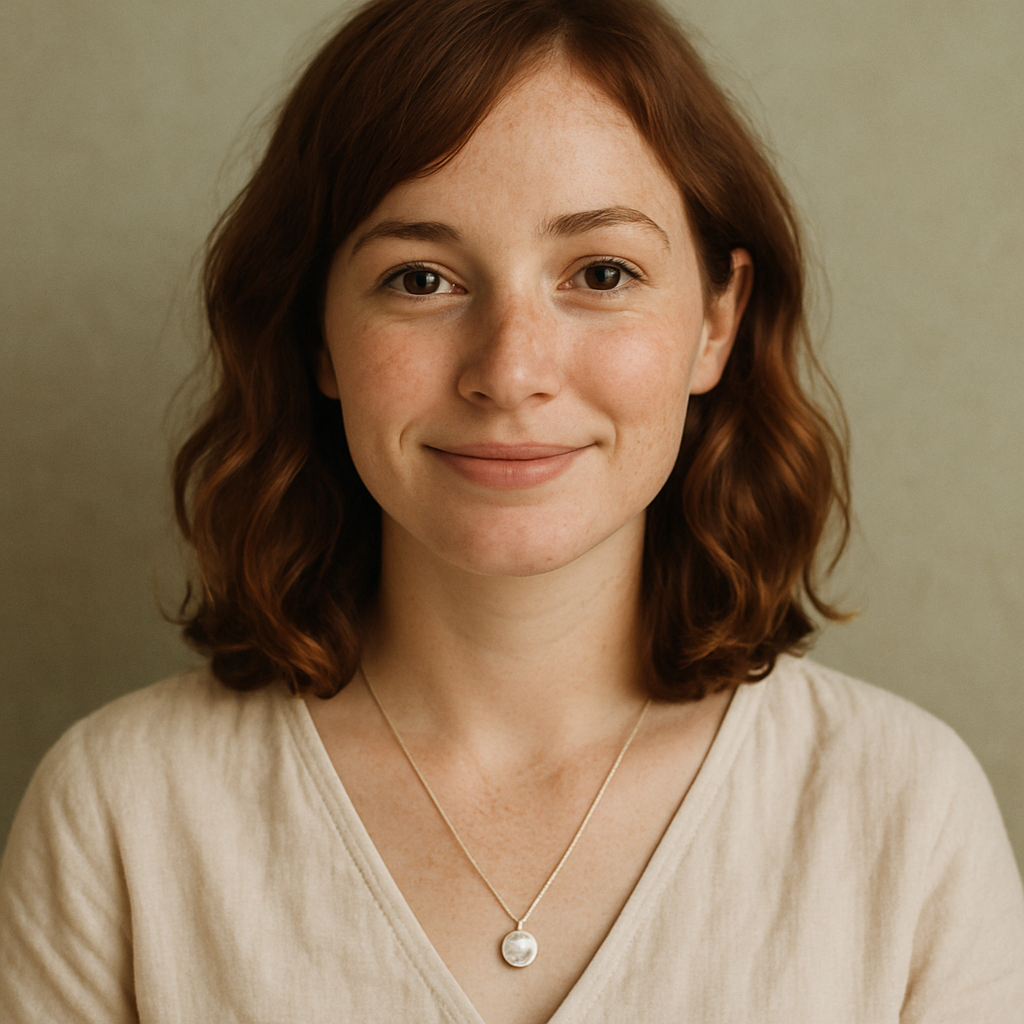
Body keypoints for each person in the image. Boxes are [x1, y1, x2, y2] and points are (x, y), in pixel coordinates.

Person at [2, 0, 1022, 1020]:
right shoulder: (121, 812)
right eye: (421, 277)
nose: (510, 369)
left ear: (716, 320)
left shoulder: (903, 812)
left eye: (601, 273)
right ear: (315, 331)